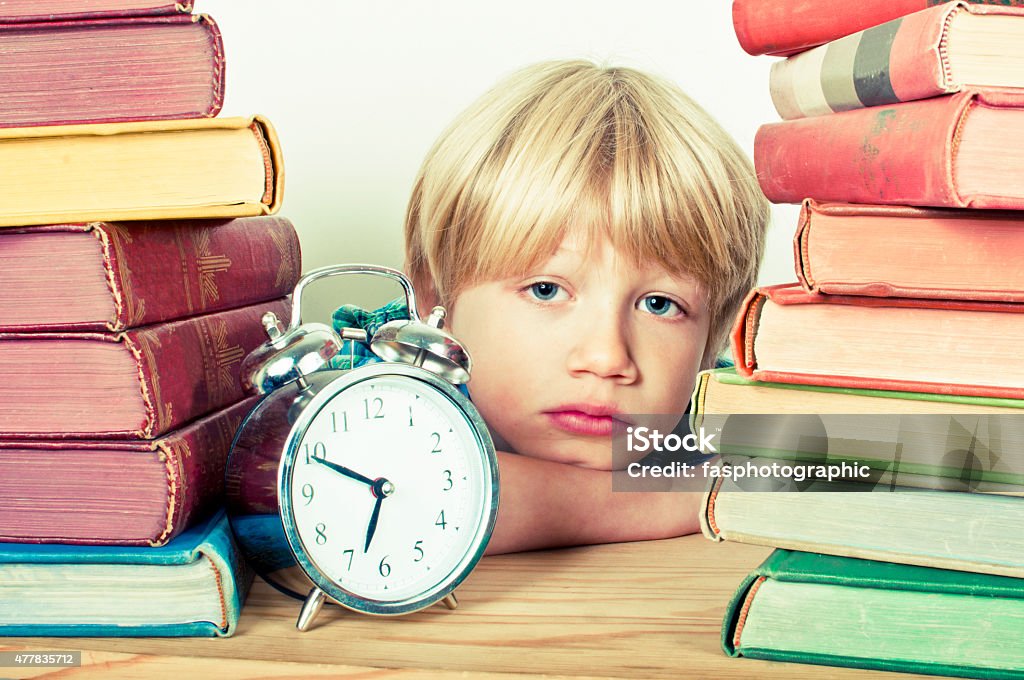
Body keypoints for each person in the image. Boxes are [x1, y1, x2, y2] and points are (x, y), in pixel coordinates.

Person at [339, 59, 769, 554]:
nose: (607, 358)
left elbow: (859, 455)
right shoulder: (369, 386)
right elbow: (401, 492)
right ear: (437, 300)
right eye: (546, 289)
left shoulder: (709, 404)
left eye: (659, 304)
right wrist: (664, 498)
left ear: (714, 337)